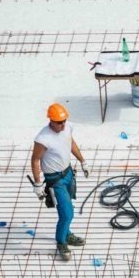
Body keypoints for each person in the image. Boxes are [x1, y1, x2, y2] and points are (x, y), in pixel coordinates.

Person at [30, 103, 90, 261]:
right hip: (55, 181)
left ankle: (67, 234)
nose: (62, 125)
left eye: (64, 121)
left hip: (68, 174)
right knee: (67, 214)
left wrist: (82, 161)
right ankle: (61, 242)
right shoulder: (43, 138)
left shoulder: (67, 127)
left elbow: (71, 143)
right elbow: (35, 160)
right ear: (50, 120)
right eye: (59, 122)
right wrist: (38, 184)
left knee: (67, 209)